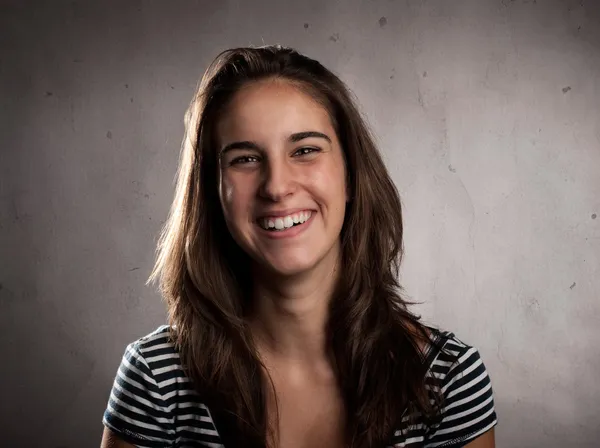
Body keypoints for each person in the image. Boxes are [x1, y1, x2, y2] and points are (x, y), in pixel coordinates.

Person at [100, 45, 498, 448]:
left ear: (351, 176)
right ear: (212, 193)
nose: (276, 186)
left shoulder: (448, 379)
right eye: (245, 159)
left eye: (305, 150)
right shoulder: (155, 379)